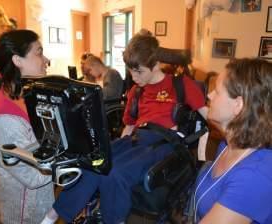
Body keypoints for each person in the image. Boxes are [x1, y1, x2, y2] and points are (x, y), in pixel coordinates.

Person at [42, 31, 207, 224]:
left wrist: (202, 159)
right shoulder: (136, 91)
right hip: (138, 138)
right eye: (131, 71)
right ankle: (51, 216)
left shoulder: (181, 84)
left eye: (139, 71)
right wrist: (116, 148)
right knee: (93, 162)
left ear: (155, 65)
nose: (134, 77)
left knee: (115, 173)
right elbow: (128, 126)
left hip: (165, 141)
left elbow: (208, 118)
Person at [0, 29, 53, 224]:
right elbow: (31, 175)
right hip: (23, 206)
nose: (46, 59)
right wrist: (69, 160)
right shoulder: (5, 120)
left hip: (38, 200)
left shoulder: (26, 97)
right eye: (39, 52)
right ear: (17, 60)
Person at [194, 58, 272, 223]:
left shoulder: (255, 176)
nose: (209, 95)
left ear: (238, 105)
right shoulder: (226, 146)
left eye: (217, 90)